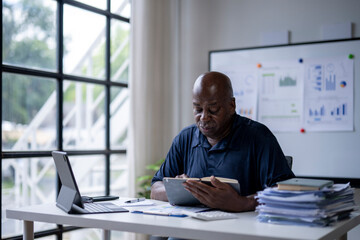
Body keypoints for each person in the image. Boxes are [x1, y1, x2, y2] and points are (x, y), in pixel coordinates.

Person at [150, 71, 295, 212]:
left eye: (213, 110)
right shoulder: (185, 138)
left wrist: (243, 203)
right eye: (198, 109)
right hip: (191, 229)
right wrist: (183, 190)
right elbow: (155, 189)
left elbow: (286, 192)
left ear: (231, 106)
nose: (204, 117)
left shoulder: (259, 137)